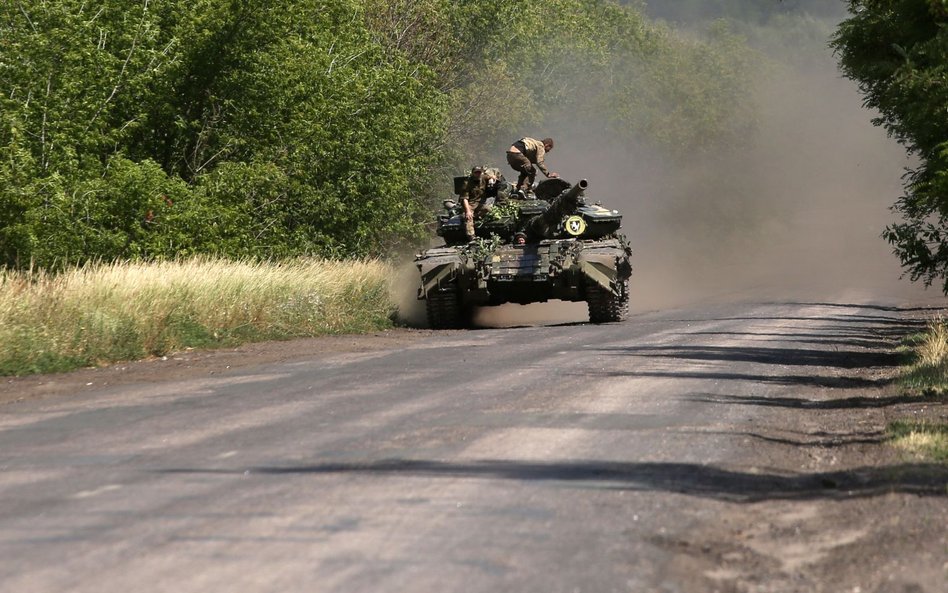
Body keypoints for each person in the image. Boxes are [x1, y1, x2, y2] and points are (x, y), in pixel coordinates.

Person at [459, 165, 491, 241]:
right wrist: (468, 211)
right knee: (468, 218)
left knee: (488, 209)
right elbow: (464, 199)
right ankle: (471, 236)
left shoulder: (483, 178)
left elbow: (494, 175)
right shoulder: (467, 183)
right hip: (470, 203)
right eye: (476, 173)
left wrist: (491, 179)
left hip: (480, 203)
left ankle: (476, 216)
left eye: (479, 172)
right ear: (473, 173)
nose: (478, 174)